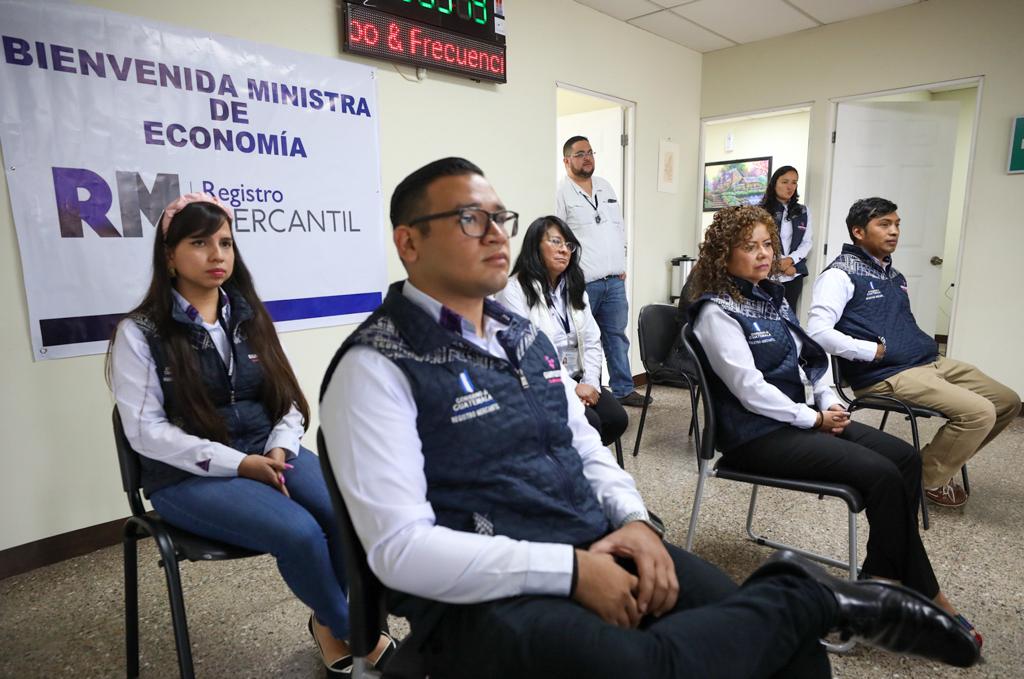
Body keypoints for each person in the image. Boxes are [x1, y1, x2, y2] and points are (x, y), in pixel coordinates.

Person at [318, 158, 980, 679]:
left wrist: (634, 520)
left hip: (596, 536)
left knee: (791, 653)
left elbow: (585, 448)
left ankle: (796, 603)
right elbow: (400, 552)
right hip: (480, 593)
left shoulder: (522, 336)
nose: (497, 233)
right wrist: (571, 571)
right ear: (409, 241)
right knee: (649, 666)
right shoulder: (377, 365)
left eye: (501, 217)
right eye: (470, 219)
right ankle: (805, 595)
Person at [107, 193, 393, 677]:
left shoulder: (249, 315)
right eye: (199, 243)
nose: (217, 254)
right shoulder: (140, 333)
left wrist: (279, 445)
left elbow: (287, 400)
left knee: (348, 513)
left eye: (225, 243)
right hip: (186, 476)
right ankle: (358, 632)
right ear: (169, 256)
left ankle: (327, 624)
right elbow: (145, 433)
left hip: (267, 450)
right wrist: (238, 464)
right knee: (300, 532)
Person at [688, 204, 982, 649]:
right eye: (749, 247)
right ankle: (924, 592)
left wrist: (828, 399)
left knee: (904, 458)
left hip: (798, 418)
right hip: (755, 436)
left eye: (767, 244)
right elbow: (750, 391)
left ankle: (881, 578)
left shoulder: (770, 297)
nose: (763, 254)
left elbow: (813, 356)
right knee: (880, 475)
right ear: (723, 254)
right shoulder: (715, 312)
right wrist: (814, 418)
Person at [807, 197, 1021, 507]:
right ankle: (923, 479)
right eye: (884, 224)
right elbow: (817, 332)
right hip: (886, 375)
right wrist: (869, 350)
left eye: (897, 224)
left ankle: (935, 466)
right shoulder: (839, 275)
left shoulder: (894, 276)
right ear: (858, 232)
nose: (894, 231)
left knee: (1007, 401)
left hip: (927, 362)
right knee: (979, 412)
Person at [495, 215, 628, 446]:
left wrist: (590, 383)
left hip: (577, 378)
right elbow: (527, 353)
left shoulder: (574, 288)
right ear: (535, 246)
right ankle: (563, 462)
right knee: (589, 423)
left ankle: (575, 459)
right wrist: (573, 388)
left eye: (569, 245)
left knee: (616, 419)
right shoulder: (513, 290)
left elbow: (592, 340)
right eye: (555, 242)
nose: (564, 250)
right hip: (538, 384)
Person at [555, 135, 648, 407]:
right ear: (567, 160)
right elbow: (557, 236)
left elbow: (618, 228)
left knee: (616, 337)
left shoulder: (605, 187)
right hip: (582, 283)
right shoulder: (561, 193)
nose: (587, 158)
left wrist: (621, 262)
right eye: (580, 154)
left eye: (590, 152)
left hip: (614, 281)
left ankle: (623, 389)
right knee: (579, 340)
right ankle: (583, 390)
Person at [759, 165, 812, 312]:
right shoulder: (761, 210)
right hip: (767, 273)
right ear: (774, 183)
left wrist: (789, 261)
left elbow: (807, 242)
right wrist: (779, 264)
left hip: (793, 274)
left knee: (790, 315)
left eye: (794, 182)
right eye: (785, 182)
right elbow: (760, 241)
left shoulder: (803, 211)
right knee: (766, 313)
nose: (790, 187)